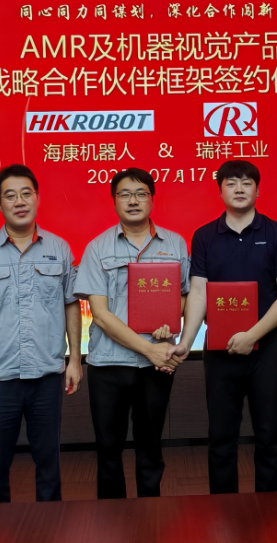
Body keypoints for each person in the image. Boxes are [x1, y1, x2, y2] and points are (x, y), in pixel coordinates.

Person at [0, 164, 82, 503]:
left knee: (49, 464)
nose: (19, 201)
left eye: (26, 193)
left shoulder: (60, 248)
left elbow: (71, 305)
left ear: (37, 198)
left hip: (46, 374)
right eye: (10, 196)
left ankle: (49, 525)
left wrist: (75, 360)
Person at [169, 160, 277, 494]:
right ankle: (223, 510)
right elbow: (198, 292)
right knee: (221, 437)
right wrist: (185, 341)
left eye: (246, 182)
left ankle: (269, 508)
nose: (239, 189)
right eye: (231, 183)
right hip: (219, 350)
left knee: (268, 434)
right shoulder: (204, 236)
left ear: (257, 190)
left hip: (266, 350)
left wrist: (251, 336)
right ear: (220, 191)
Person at [73, 168, 189, 499]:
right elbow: (100, 314)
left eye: (140, 194)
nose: (133, 201)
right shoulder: (97, 248)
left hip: (156, 365)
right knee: (108, 449)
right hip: (109, 364)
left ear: (152, 199)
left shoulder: (176, 243)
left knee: (150, 448)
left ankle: (150, 514)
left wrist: (171, 320)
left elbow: (185, 296)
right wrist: (148, 349)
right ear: (114, 201)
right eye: (125, 194)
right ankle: (112, 517)